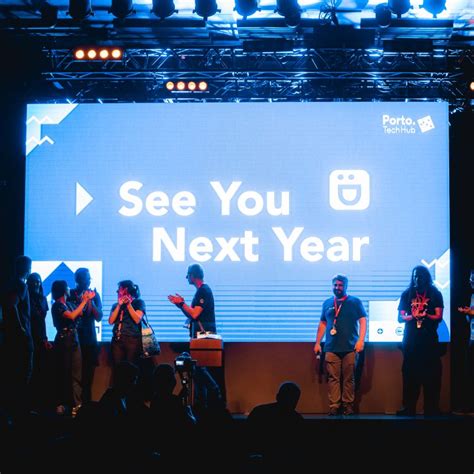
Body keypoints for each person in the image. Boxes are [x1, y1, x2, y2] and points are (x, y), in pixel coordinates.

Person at [168, 263, 221, 411]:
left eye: (188, 275)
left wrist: (182, 303)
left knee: (200, 368)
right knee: (198, 372)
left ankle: (213, 392)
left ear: (193, 275)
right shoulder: (201, 291)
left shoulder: (203, 290)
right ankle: (201, 405)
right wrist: (180, 305)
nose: (186, 278)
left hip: (203, 338)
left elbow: (195, 314)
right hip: (199, 337)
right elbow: (192, 315)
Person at [313, 274, 367, 416]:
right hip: (331, 347)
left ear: (346, 286)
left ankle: (348, 406)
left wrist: (361, 340)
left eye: (340, 285)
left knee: (349, 379)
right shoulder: (327, 303)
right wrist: (317, 343)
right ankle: (334, 406)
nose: (337, 288)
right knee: (333, 378)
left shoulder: (355, 301)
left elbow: (362, 321)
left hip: (350, 347)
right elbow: (323, 323)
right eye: (335, 285)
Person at [397, 265, 444, 416]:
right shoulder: (407, 294)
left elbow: (439, 316)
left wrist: (426, 316)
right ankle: (408, 408)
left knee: (432, 376)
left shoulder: (435, 293)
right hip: (411, 341)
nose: (417, 279)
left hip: (429, 341)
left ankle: (431, 408)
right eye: (415, 276)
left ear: (426, 277)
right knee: (410, 376)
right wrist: (413, 316)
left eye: (420, 276)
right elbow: (400, 317)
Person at [51, 279, 94, 416]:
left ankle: (77, 405)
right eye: (67, 287)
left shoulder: (68, 304)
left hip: (74, 339)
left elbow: (80, 312)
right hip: (63, 340)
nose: (69, 289)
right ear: (63, 290)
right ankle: (62, 404)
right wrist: (83, 301)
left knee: (77, 374)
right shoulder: (57, 305)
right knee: (63, 373)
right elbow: (71, 316)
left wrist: (86, 299)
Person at [1, 256, 34, 414]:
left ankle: (14, 411)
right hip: (20, 338)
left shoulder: (10, 283)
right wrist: (20, 328)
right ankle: (20, 411)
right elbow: (11, 304)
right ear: (27, 268)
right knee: (24, 372)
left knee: (13, 373)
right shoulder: (20, 284)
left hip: (10, 337)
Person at [68, 268, 103, 403]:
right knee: (74, 377)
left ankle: (87, 407)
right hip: (74, 339)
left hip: (89, 340)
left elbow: (99, 317)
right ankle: (75, 406)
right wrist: (82, 300)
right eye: (86, 278)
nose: (89, 281)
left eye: (89, 278)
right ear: (78, 280)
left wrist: (90, 301)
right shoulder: (70, 294)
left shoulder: (94, 294)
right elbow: (73, 315)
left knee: (88, 377)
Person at [27, 272, 53, 410]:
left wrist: (45, 338)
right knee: (30, 371)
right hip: (29, 336)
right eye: (33, 281)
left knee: (40, 371)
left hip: (40, 337)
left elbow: (42, 321)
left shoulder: (43, 299)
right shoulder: (25, 298)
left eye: (38, 281)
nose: (36, 284)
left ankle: (39, 404)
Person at [109, 280, 145, 368]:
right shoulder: (115, 305)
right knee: (117, 367)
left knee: (131, 367)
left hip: (132, 339)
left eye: (119, 289)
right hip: (117, 339)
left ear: (126, 289)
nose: (117, 291)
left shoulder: (138, 302)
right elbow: (110, 321)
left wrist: (128, 304)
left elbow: (137, 319)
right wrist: (118, 305)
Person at [457, 269, 474, 414]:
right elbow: (470, 318)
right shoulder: (472, 295)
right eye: (470, 278)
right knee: (469, 372)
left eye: (473, 278)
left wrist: (470, 312)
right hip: (472, 338)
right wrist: (467, 313)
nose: (470, 281)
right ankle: (468, 406)